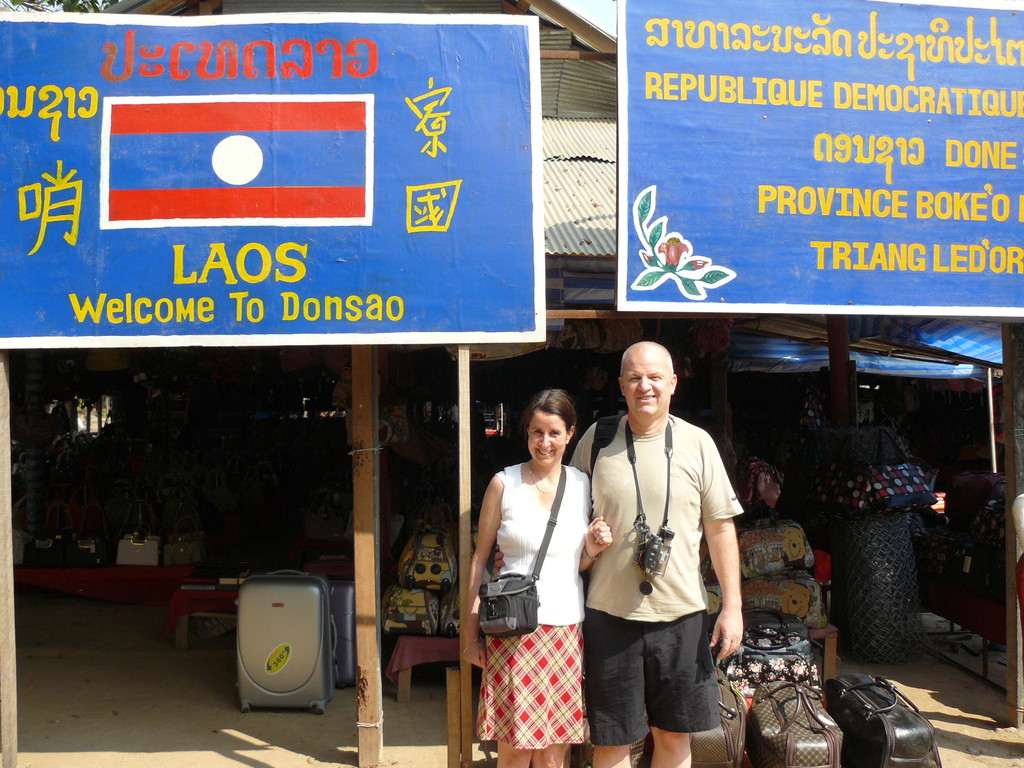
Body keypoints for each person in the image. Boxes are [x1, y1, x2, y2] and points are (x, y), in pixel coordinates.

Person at [569, 341, 743, 768]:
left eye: (654, 377)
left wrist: (733, 607)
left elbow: (720, 528)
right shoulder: (597, 439)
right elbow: (565, 520)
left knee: (674, 738)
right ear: (621, 387)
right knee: (611, 742)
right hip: (610, 614)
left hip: (681, 615)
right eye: (634, 378)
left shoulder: (698, 443)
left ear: (673, 384)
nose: (644, 386)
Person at [464, 388, 613, 768]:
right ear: (526, 434)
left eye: (553, 433)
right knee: (514, 750)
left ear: (570, 434)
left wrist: (592, 550)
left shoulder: (582, 485)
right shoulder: (504, 484)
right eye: (536, 433)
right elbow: (479, 559)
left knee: (553, 752)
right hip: (513, 632)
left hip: (565, 632)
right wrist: (468, 638)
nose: (544, 443)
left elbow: (573, 564)